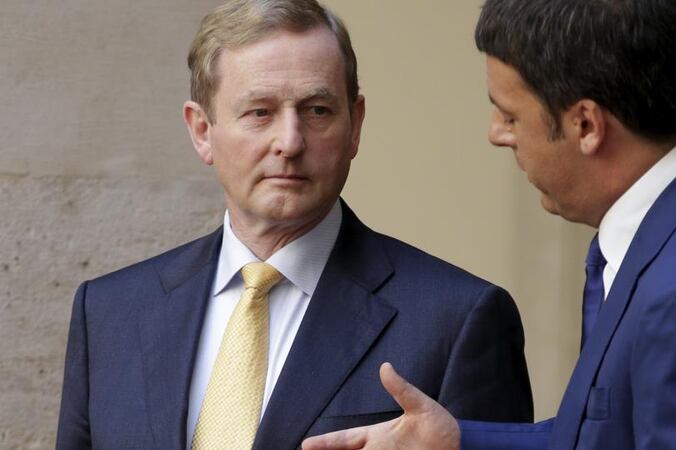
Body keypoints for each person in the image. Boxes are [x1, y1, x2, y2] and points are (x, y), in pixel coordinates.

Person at [302, 0, 676, 449]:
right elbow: (612, 433)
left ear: (586, 125)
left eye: (510, 116)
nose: (497, 134)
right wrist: (456, 442)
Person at [54, 0, 535, 448]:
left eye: (317, 110)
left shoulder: (458, 320)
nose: (290, 141)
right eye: (260, 112)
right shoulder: (110, 314)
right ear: (202, 131)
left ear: (355, 125)